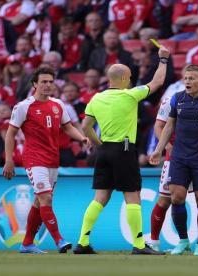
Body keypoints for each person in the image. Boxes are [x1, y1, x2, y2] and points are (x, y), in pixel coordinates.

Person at [73, 45, 171, 255]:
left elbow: (85, 127)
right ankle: (138, 245)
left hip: (104, 151)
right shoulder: (130, 95)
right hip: (124, 150)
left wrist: (98, 144)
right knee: (132, 196)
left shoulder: (96, 98)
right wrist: (163, 59)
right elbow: (157, 82)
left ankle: (82, 242)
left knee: (100, 198)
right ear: (126, 78)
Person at [2, 67, 89, 254]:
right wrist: (9, 160)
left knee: (39, 202)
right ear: (35, 84)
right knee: (46, 198)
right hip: (34, 158)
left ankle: (26, 244)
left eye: (50, 81)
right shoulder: (23, 106)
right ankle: (60, 240)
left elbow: (67, 127)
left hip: (52, 159)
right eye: (44, 82)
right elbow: (10, 134)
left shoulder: (58, 104)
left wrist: (81, 137)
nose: (48, 85)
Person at [149, 64, 198, 256]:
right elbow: (168, 126)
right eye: (185, 78)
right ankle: (182, 240)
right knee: (175, 197)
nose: (187, 81)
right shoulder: (176, 99)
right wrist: (159, 149)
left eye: (191, 78)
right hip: (179, 157)